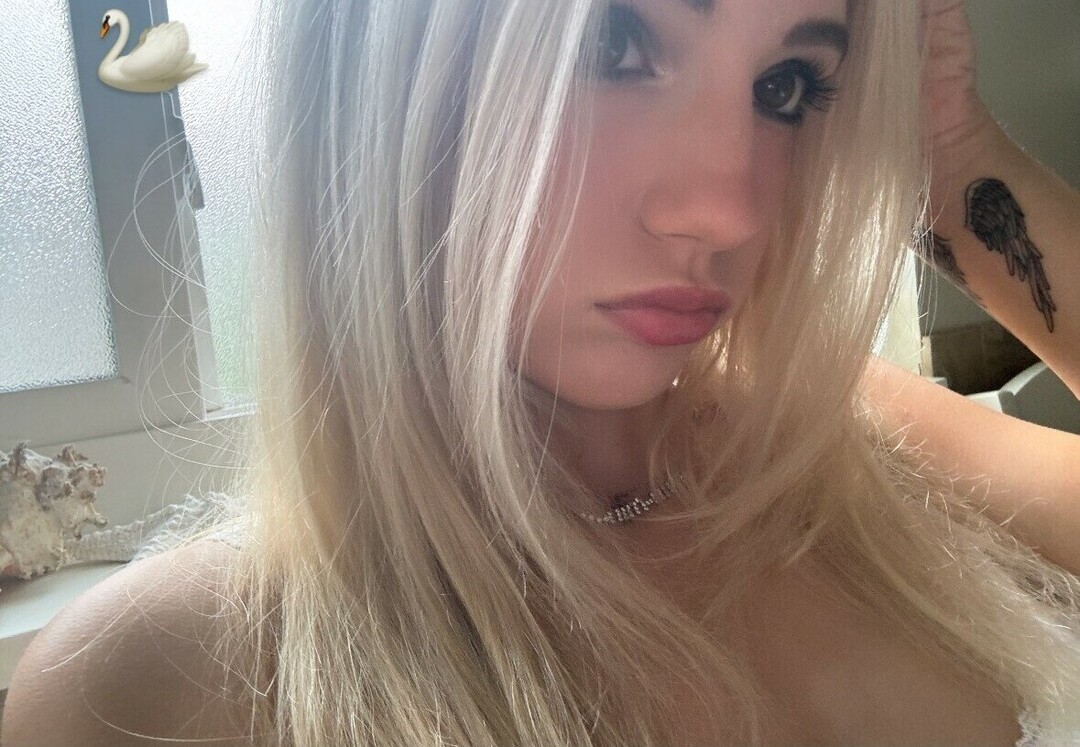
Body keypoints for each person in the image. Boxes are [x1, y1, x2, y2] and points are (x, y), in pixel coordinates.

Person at [3, 0, 1080, 744]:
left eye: (788, 86)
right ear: (379, 75)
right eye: (611, 41)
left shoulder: (842, 440)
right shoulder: (147, 687)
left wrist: (953, 157)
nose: (729, 209)